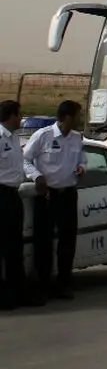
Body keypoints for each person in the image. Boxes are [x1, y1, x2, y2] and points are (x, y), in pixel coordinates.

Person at [22, 100, 86, 300]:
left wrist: (82, 167)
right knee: (44, 242)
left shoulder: (77, 138)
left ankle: (63, 284)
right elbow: (25, 159)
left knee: (68, 241)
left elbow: (82, 159)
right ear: (67, 117)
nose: (80, 120)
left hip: (68, 194)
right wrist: (36, 176)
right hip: (48, 196)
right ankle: (43, 285)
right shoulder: (43, 136)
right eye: (77, 116)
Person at [1, 100, 40, 310]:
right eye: (19, 115)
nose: (21, 119)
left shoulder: (15, 138)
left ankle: (17, 293)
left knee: (14, 246)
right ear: (10, 115)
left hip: (12, 195)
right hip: (1, 195)